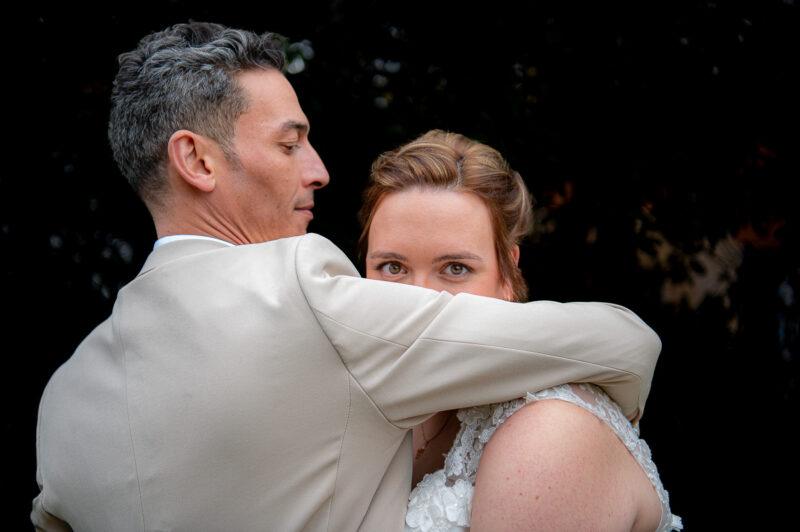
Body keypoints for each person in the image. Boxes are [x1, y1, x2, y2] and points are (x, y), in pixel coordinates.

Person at [31, 22, 663, 531]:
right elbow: (624, 342)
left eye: (455, 268)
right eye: (289, 144)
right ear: (196, 159)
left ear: (510, 272)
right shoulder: (302, 291)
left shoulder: (64, 399)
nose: (319, 170)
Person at [360, 130, 682, 531]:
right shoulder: (354, 404)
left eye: (455, 268)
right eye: (392, 267)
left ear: (508, 273)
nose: (418, 300)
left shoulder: (550, 431)